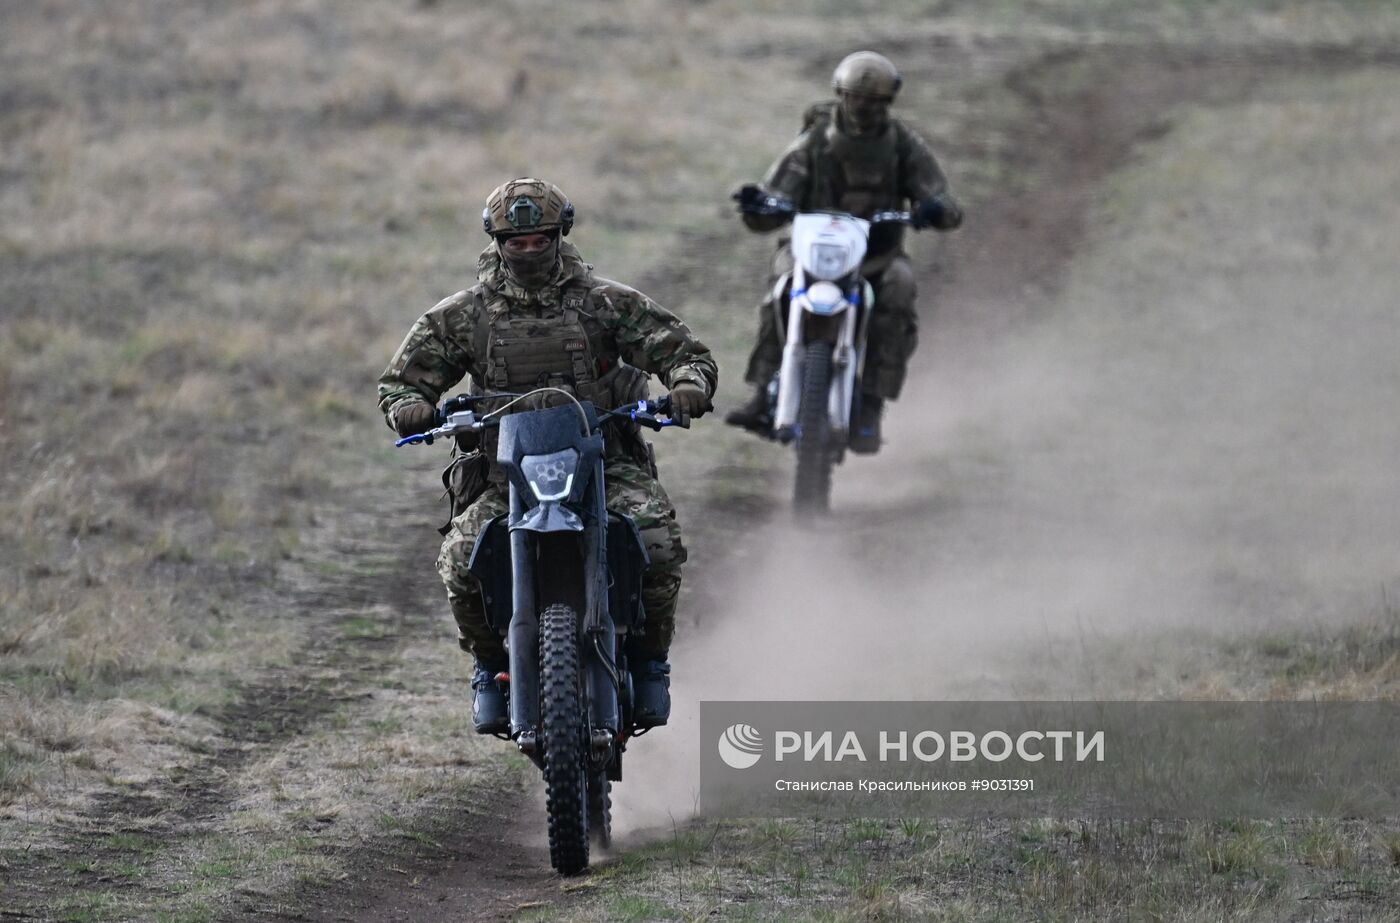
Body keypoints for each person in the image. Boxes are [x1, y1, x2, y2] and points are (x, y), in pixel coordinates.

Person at [377, 178, 717, 732]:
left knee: (657, 540)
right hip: (503, 477)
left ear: (561, 235)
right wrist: (412, 408)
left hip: (606, 465)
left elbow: (684, 352)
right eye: (517, 241)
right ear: (497, 242)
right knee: (460, 562)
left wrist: (687, 386)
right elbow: (400, 383)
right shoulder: (463, 315)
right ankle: (490, 666)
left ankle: (650, 660)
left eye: (540, 239)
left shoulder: (606, 303)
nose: (529, 251)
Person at [727, 50, 963, 452]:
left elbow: (942, 199)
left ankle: (871, 404)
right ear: (841, 94)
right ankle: (765, 390)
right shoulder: (813, 142)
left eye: (875, 102)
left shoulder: (903, 146)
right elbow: (778, 194)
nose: (864, 109)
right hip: (809, 253)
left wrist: (936, 209)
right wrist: (760, 205)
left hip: (877, 258)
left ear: (888, 103)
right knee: (780, 289)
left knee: (900, 290)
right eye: (856, 98)